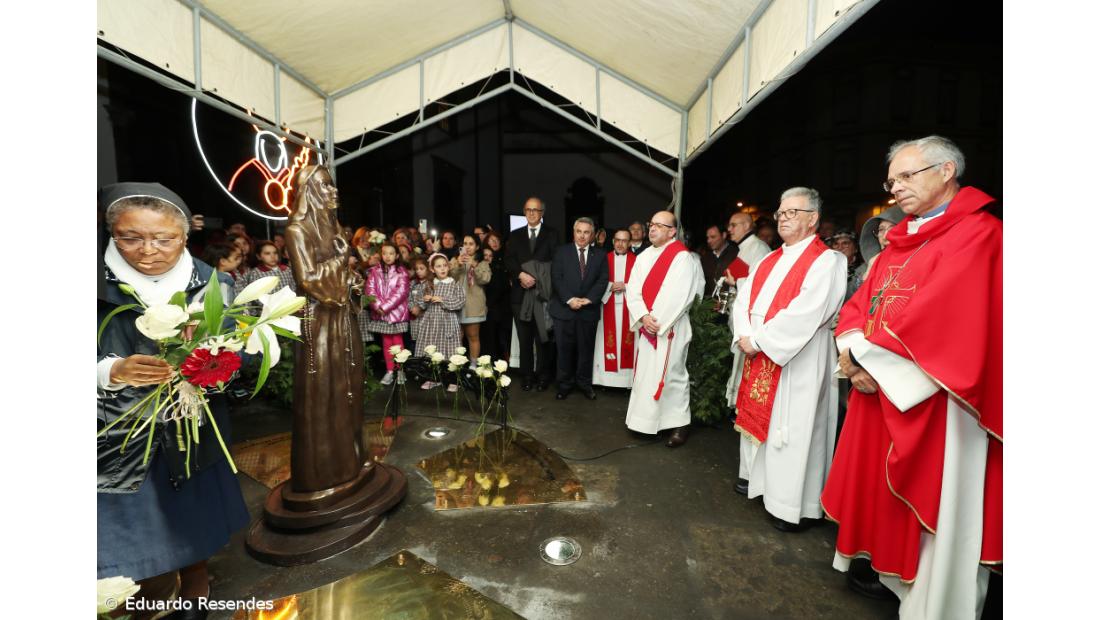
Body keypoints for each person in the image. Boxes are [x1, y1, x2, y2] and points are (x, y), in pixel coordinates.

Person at [821, 136, 1001, 619]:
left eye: (906, 176)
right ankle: (899, 582)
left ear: (946, 172)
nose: (895, 188)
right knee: (889, 502)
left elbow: (945, 320)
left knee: (940, 511)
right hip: (883, 389)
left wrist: (869, 363)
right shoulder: (904, 239)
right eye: (892, 180)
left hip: (943, 401)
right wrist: (852, 356)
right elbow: (864, 303)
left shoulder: (978, 234)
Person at [98, 183, 249, 614]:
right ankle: (142, 596)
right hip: (119, 429)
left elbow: (240, 356)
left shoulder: (213, 283)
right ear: (112, 232)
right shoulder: (92, 282)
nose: (148, 250)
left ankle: (196, 585)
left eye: (163, 239)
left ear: (185, 236)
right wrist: (110, 370)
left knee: (194, 513)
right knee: (136, 531)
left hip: (191, 422)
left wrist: (212, 355)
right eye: (131, 237)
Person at [730, 187, 847, 531]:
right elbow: (743, 299)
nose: (783, 218)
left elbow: (808, 312)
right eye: (781, 212)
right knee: (760, 420)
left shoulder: (828, 260)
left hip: (800, 358)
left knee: (794, 428)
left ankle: (791, 504)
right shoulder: (768, 259)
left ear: (813, 219)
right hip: (760, 350)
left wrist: (761, 340)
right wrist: (744, 334)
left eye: (792, 212)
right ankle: (758, 481)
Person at [624, 211, 704, 447]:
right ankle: (646, 422)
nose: (653, 228)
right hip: (648, 324)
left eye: (660, 225)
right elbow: (633, 289)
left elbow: (680, 296)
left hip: (671, 326)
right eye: (651, 224)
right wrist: (642, 316)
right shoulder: (644, 256)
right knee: (646, 375)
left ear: (672, 231)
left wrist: (655, 321)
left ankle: (679, 424)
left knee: (672, 375)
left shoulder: (682, 258)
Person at [549, 217, 609, 400]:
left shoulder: (600, 255)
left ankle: (584, 384)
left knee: (586, 351)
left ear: (592, 235)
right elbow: (556, 278)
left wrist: (588, 300)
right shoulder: (561, 252)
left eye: (586, 232)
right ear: (574, 232)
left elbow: (602, 280)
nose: (582, 236)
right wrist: (569, 299)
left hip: (588, 311)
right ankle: (564, 384)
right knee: (564, 351)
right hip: (564, 310)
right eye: (579, 231)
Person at [504, 197, 559, 391]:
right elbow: (508, 260)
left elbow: (556, 262)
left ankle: (544, 376)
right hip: (520, 296)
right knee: (525, 339)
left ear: (542, 213)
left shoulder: (552, 234)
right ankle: (527, 376)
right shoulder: (515, 235)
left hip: (543, 296)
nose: (532, 213)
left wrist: (540, 278)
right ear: (524, 212)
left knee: (542, 339)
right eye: (528, 210)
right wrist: (520, 274)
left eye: (536, 210)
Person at [412, 253, 466, 391]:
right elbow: (421, 305)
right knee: (432, 348)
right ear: (432, 269)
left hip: (447, 321)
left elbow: (460, 302)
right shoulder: (429, 285)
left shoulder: (454, 284)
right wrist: (424, 300)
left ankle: (454, 379)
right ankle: (433, 378)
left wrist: (442, 300)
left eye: (444, 266)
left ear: (448, 267)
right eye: (438, 266)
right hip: (431, 323)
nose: (442, 269)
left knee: (450, 350)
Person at [592, 229, 637, 389]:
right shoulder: (604, 259)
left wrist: (626, 286)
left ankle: (626, 382)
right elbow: (596, 281)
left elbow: (642, 285)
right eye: (617, 240)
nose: (620, 243)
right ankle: (605, 380)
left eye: (624, 240)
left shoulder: (637, 260)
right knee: (606, 341)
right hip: (607, 308)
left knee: (627, 343)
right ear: (613, 241)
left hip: (628, 309)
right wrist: (610, 286)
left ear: (630, 243)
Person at [365, 242, 411, 385]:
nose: (388, 256)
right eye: (385, 253)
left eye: (391, 253)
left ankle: (400, 370)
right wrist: (377, 305)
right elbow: (369, 289)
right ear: (381, 255)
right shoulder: (374, 271)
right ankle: (390, 371)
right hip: (380, 313)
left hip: (395, 313)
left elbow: (401, 292)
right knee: (386, 342)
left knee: (398, 342)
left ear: (397, 255)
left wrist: (385, 307)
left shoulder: (401, 271)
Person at [450, 234, 493, 365]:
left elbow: (485, 279)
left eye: (471, 244)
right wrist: (458, 264)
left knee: (473, 337)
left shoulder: (482, 263)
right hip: (455, 304)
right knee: (456, 338)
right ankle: (457, 365)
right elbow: (448, 278)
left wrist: (474, 265)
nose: (467, 247)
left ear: (477, 246)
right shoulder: (455, 260)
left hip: (473, 306)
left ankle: (473, 366)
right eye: (465, 243)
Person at [847, 206, 904, 298]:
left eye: (892, 228)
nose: (885, 236)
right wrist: (866, 276)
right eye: (881, 229)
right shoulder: (867, 266)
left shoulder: (919, 263)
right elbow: (845, 301)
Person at [234, 239, 297, 309]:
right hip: (266, 310)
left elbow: (293, 289)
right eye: (267, 253)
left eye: (275, 253)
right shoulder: (256, 273)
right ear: (259, 256)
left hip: (287, 307)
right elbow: (256, 295)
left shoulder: (286, 270)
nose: (273, 256)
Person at [481, 231, 512, 363]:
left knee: (505, 333)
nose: (494, 242)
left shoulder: (507, 257)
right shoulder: (482, 259)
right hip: (488, 303)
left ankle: (507, 361)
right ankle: (491, 361)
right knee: (490, 335)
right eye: (491, 240)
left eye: (497, 240)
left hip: (505, 303)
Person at [699, 224, 738, 297]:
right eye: (707, 237)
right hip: (709, 304)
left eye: (713, 237)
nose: (709, 240)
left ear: (723, 235)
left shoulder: (736, 254)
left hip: (729, 303)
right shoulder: (705, 258)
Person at [405, 255, 432, 354]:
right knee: (415, 342)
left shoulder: (431, 283)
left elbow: (429, 297)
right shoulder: (412, 283)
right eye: (416, 269)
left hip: (427, 318)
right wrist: (412, 308)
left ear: (428, 269)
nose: (418, 271)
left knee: (427, 343)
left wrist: (420, 307)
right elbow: (408, 297)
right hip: (414, 319)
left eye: (421, 268)